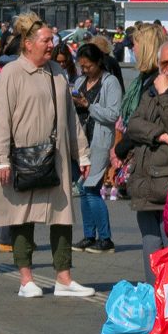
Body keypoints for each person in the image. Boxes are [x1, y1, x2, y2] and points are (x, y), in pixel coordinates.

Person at [0, 16, 94, 299]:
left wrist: (81, 154)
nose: (52, 45)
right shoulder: (11, 73)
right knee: (21, 216)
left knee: (62, 216)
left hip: (55, 158)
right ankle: (26, 280)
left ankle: (64, 278)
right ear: (28, 44)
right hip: (21, 158)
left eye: (52, 40)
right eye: (46, 40)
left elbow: (71, 119)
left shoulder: (58, 72)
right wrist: (0, 159)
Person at [124, 37, 168, 276]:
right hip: (144, 180)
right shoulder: (151, 91)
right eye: (164, 63)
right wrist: (159, 136)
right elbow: (133, 124)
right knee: (150, 245)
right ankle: (154, 300)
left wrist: (165, 95)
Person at [72, 42, 120, 253]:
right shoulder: (80, 81)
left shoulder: (110, 82)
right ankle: (90, 235)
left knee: (90, 187)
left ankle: (106, 238)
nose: (85, 70)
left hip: (100, 140)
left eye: (88, 66)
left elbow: (112, 114)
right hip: (82, 141)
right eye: (81, 66)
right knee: (83, 189)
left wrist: (88, 106)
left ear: (98, 62)